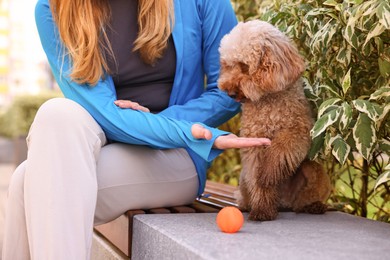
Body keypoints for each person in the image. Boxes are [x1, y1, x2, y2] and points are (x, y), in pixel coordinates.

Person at [2, 0, 271, 259]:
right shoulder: (53, 8)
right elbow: (103, 113)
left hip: (175, 154)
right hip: (110, 142)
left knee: (27, 181)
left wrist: (162, 124)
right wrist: (171, 128)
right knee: (56, 114)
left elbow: (226, 93)